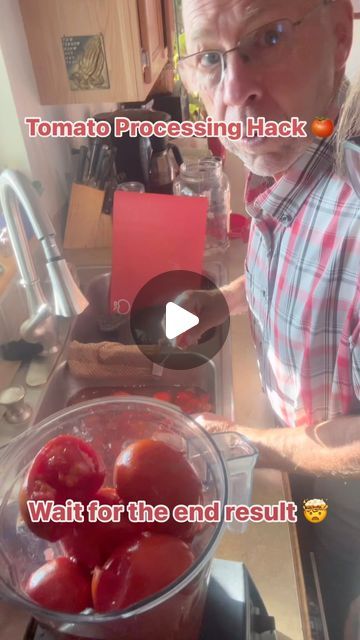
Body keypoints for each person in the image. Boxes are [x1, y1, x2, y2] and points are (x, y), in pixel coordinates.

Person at [177, 1, 360, 638]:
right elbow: (285, 275)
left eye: (269, 37)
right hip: (299, 462)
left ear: (340, 37)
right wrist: (220, 299)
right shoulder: (290, 165)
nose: (234, 92)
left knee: (327, 602)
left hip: (346, 502)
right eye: (209, 57)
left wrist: (254, 445)